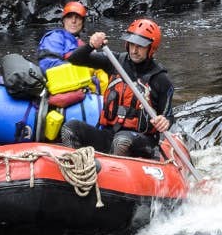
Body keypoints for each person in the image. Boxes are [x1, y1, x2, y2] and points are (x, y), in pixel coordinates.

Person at [59, 18, 173, 158]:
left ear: (151, 48)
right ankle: (76, 168)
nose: (134, 50)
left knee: (122, 141)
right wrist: (91, 46)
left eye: (140, 46)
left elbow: (168, 116)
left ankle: (112, 173)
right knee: (70, 128)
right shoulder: (115, 62)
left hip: (141, 141)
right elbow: (74, 60)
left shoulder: (160, 79)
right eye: (132, 44)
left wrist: (165, 121)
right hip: (109, 135)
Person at [37, 1, 88, 71]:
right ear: (63, 21)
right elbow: (49, 66)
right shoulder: (55, 37)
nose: (73, 21)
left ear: (82, 22)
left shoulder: (82, 45)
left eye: (78, 17)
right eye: (69, 17)